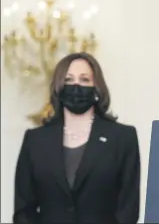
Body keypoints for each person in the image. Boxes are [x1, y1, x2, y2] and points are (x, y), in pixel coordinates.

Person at [13, 52, 140, 224]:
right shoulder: (35, 140)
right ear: (59, 86)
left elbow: (128, 209)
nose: (76, 85)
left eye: (84, 79)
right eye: (69, 80)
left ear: (97, 87)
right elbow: (23, 210)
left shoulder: (123, 138)